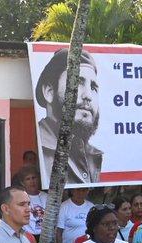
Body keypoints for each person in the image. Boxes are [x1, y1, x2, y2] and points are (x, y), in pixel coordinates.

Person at [35, 47, 102, 184]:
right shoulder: (37, 147)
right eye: (77, 82)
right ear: (49, 92)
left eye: (93, 87)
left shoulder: (95, 155)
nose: (88, 95)